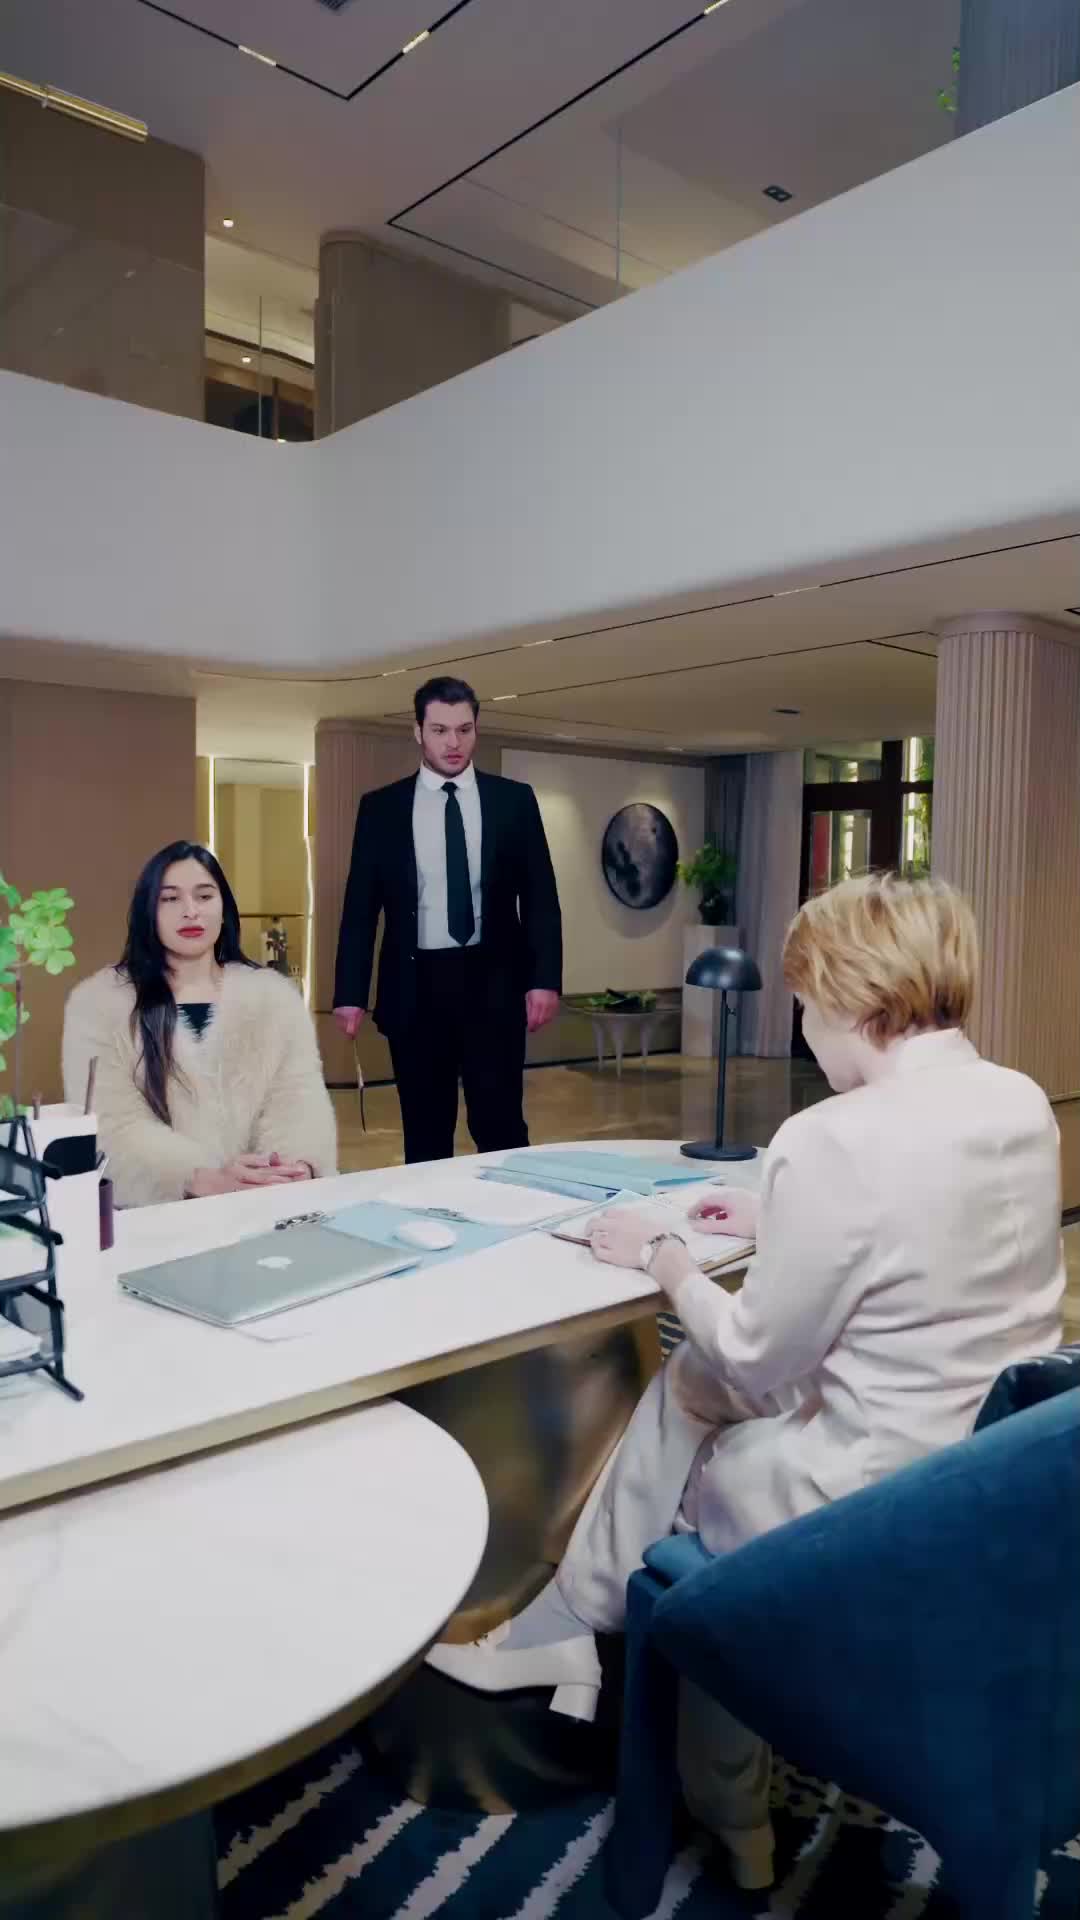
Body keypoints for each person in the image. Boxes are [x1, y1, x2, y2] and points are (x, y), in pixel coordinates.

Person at [426, 873, 1064, 1889]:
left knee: (704, 1418)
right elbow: (931, 1229)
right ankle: (574, 1627)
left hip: (870, 1498)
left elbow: (759, 1353)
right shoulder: (1018, 1101)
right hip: (990, 1469)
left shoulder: (833, 1136)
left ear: (849, 996)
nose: (802, 1029)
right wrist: (778, 1219)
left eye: (804, 1004)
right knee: (691, 1389)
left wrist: (663, 1256)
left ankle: (718, 1796)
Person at [333, 676, 562, 1163]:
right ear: (418, 731)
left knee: (501, 1126)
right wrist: (350, 992)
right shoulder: (381, 808)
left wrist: (544, 979)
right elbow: (360, 907)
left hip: (493, 983)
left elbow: (541, 896)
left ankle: (508, 1207)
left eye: (464, 729)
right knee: (425, 1133)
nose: (453, 742)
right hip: (415, 987)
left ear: (476, 728)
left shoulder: (513, 801)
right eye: (439, 730)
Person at [63, 842, 337, 1208]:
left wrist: (295, 1166)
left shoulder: (274, 998)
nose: (191, 911)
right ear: (148, 912)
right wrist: (203, 1177)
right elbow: (111, 1124)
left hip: (268, 1206)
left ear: (224, 908)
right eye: (170, 899)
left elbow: (299, 1098)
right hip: (159, 1215)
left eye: (204, 896)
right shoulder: (99, 1003)